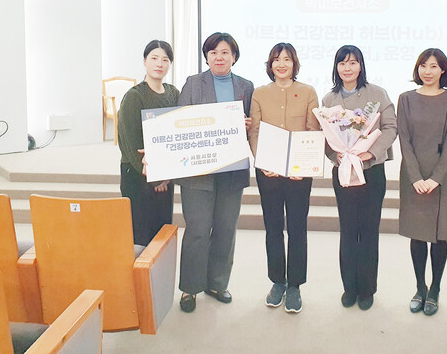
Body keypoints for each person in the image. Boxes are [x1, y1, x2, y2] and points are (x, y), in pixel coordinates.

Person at [176, 32, 254, 313]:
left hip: (232, 169)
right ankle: (190, 287)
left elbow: (252, 124)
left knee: (225, 229)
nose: (219, 57)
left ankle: (217, 283)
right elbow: (179, 121)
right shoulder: (193, 83)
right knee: (197, 229)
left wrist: (247, 124)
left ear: (234, 56)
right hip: (198, 170)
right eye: (213, 53)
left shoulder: (246, 86)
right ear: (206, 57)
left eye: (225, 52)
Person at [321, 45, 397, 311]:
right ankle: (349, 287)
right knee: (348, 230)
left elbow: (390, 128)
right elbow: (325, 137)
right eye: (342, 63)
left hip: (371, 171)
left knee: (369, 230)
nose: (347, 68)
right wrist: (337, 156)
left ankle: (367, 289)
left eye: (353, 62)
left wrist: (370, 153)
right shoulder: (329, 99)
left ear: (361, 66)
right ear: (336, 67)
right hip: (343, 172)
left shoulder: (377, 93)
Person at [249, 43, 320, 313]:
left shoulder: (308, 92)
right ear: (270, 65)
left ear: (294, 64)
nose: (281, 64)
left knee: (298, 228)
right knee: (273, 227)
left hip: (299, 174)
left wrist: (304, 166)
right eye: (276, 60)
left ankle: (295, 286)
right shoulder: (259, 93)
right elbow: (255, 131)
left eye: (287, 59)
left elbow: (313, 131)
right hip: (269, 172)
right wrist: (263, 161)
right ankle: (277, 282)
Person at [397, 48, 447, 316]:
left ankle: (435, 289)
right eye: (423, 65)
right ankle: (419, 288)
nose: (427, 71)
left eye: (434, 66)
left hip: (441, 175)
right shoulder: (406, 99)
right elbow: (404, 140)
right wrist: (416, 177)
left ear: (443, 70)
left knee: (438, 235)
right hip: (412, 174)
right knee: (417, 234)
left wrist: (435, 178)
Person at [118, 40, 179, 246]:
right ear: (145, 61)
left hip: (166, 179)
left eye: (165, 60)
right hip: (138, 177)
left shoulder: (173, 93)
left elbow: (177, 135)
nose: (159, 64)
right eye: (154, 58)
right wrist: (156, 179)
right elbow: (130, 144)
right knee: (140, 241)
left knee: (162, 239)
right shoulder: (134, 97)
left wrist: (166, 176)